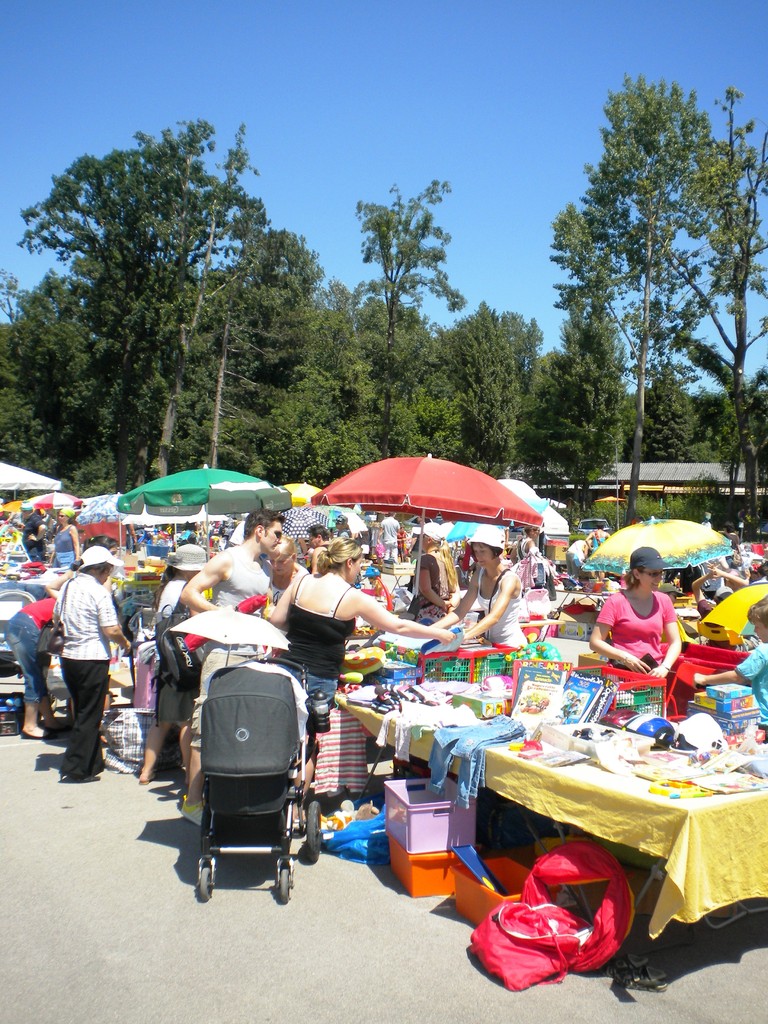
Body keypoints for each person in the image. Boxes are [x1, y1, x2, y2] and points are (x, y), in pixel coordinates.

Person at [269, 538, 456, 787]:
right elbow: (397, 625)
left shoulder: (301, 581)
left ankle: (273, 793)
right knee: (307, 742)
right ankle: (296, 806)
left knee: (281, 735)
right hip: (319, 678)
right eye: (359, 564)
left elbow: (277, 620)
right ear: (349, 562)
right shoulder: (351, 596)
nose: (360, 570)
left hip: (286, 669)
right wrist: (437, 633)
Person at [179, 510, 284, 823]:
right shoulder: (228, 559)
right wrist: (223, 615)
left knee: (240, 722)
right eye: (277, 533)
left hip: (254, 656)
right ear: (260, 531)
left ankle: (234, 794)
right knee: (204, 725)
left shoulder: (265, 566)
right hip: (222, 654)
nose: (279, 540)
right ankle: (192, 803)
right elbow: (189, 593)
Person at [55, 545, 131, 782]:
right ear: (102, 569)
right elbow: (111, 628)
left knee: (82, 709)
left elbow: (56, 616)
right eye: (108, 569)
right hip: (91, 657)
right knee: (90, 713)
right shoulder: (98, 592)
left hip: (69, 655)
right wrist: (125, 642)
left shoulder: (69, 586)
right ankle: (76, 766)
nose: (109, 574)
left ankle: (91, 764)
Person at [138, 544, 208, 786]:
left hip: (166, 662)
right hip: (185, 662)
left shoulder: (167, 587)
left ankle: (146, 771)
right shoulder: (187, 590)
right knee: (188, 722)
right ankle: (190, 776)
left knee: (163, 719)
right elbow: (197, 624)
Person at [589, 546, 681, 677]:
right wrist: (625, 657)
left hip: (653, 673)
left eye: (661, 573)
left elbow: (676, 642)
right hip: (621, 673)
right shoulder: (615, 602)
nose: (659, 578)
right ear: (637, 573)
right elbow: (595, 642)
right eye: (653, 574)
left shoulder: (664, 601)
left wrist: (665, 666)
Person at [434, 524, 527, 648]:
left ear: (495, 550)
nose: (478, 556)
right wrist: (430, 630)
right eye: (476, 551)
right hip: (489, 645)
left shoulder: (509, 580)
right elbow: (460, 612)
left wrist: (463, 636)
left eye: (482, 551)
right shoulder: (479, 574)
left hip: (511, 646)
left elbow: (494, 617)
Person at [6, 575, 71, 739]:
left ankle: (50, 720)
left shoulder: (63, 599)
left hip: (20, 625)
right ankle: (30, 724)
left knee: (37, 676)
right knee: (33, 676)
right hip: (25, 628)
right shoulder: (68, 602)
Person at [693, 595, 768, 732]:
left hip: (762, 720)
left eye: (757, 627)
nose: (755, 631)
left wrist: (704, 679)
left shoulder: (762, 652)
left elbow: (738, 677)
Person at [414, 522, 460, 621]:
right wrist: (450, 605)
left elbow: (426, 589)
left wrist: (442, 604)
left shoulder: (425, 560)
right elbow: (456, 590)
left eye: (421, 537)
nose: (419, 540)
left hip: (427, 613)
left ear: (429, 539)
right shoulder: (447, 559)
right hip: (446, 613)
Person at [269, 537, 307, 605]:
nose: (275, 565)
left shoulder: (302, 578)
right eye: (272, 560)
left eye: (281, 561)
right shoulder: (266, 569)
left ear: (293, 557)